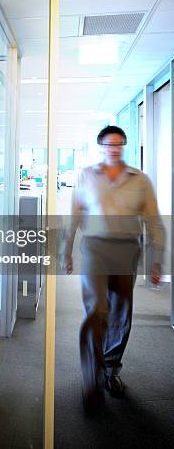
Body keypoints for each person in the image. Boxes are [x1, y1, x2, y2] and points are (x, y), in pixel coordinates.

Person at [62, 125, 164, 415]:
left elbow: (154, 221)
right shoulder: (86, 175)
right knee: (97, 310)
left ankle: (111, 369)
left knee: (121, 314)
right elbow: (74, 214)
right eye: (109, 144)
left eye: (119, 144)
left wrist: (156, 260)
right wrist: (66, 250)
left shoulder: (140, 180)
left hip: (127, 251)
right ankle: (91, 378)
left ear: (124, 146)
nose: (114, 148)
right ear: (101, 147)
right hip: (94, 248)